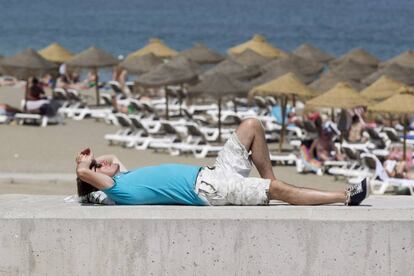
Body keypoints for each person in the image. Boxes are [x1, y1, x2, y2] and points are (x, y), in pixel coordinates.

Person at [75, 118, 368, 206]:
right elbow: (84, 174)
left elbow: (112, 158)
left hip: (214, 173)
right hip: (211, 190)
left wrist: (95, 161)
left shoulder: (124, 178)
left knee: (251, 125)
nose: (101, 163)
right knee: (274, 192)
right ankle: (344, 196)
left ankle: (272, 179)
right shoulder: (118, 190)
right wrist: (83, 165)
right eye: (96, 167)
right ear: (96, 180)